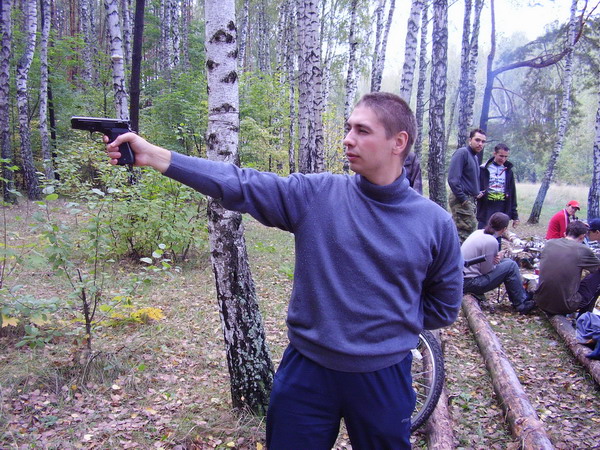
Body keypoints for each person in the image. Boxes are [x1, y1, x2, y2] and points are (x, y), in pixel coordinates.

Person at [105, 92, 463, 449]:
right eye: (349, 128)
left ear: (398, 142)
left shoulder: (434, 223)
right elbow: (239, 182)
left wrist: (387, 324)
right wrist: (154, 156)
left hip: (384, 378)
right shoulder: (317, 196)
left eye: (362, 130)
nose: (348, 139)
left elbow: (444, 307)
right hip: (307, 372)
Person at [461, 212, 536, 314]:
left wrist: (496, 260)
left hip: (461, 278)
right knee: (511, 266)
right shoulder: (491, 241)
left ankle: (521, 296)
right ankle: (521, 304)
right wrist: (496, 260)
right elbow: (486, 270)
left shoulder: (479, 232)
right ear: (504, 229)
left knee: (508, 262)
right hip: (469, 283)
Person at [534, 220, 600, 316]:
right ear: (582, 237)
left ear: (565, 233)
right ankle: (585, 315)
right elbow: (596, 267)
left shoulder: (549, 243)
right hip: (565, 306)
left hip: (541, 300)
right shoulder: (582, 250)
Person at [448, 129, 487, 243]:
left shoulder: (474, 157)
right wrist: (463, 199)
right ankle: (460, 255)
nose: (480, 144)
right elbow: (453, 179)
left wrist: (476, 193)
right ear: (470, 140)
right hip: (461, 199)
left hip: (470, 199)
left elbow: (468, 180)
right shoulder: (462, 153)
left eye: (483, 141)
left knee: (462, 231)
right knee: (466, 233)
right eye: (477, 140)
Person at [476, 143, 519, 229]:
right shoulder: (483, 169)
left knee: (498, 233)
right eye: (501, 156)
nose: (503, 159)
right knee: (483, 232)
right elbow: (476, 186)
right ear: (494, 153)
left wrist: (515, 216)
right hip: (486, 206)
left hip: (502, 206)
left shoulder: (508, 171)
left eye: (506, 156)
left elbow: (512, 194)